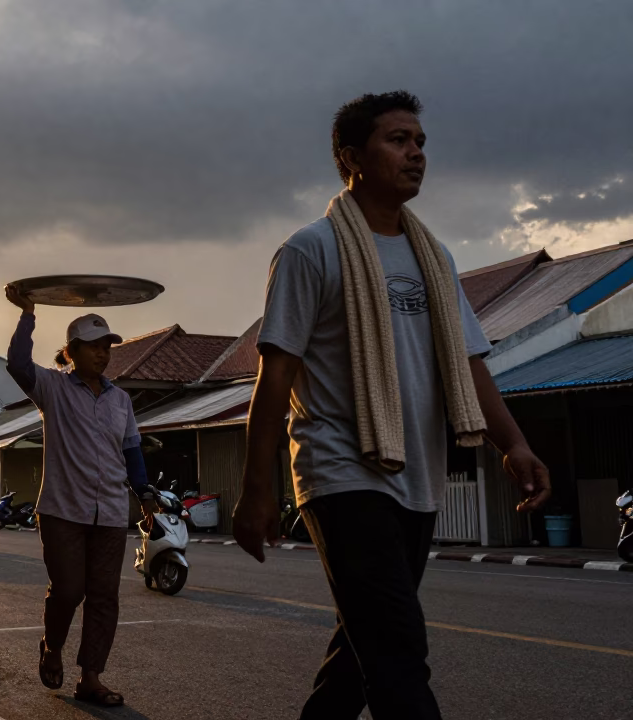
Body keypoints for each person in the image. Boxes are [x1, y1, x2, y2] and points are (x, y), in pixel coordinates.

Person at [231, 91, 551, 720]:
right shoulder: (310, 250)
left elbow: (466, 363)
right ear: (352, 158)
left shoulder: (434, 257)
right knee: (398, 647)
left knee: (362, 652)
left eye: (420, 142)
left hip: (416, 476)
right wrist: (256, 488)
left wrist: (513, 444)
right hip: (341, 471)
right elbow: (275, 379)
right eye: (398, 140)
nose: (415, 153)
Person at [4, 286, 159, 709]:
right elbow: (17, 363)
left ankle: (91, 677)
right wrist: (28, 313)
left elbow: (131, 451)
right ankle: (52, 646)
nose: (103, 354)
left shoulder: (121, 400)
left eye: (107, 347)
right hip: (62, 510)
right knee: (69, 589)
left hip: (109, 511)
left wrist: (144, 495)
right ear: (72, 351)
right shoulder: (52, 389)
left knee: (105, 596)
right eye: (93, 347)